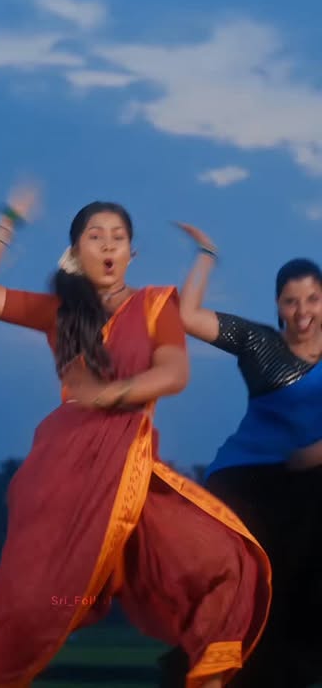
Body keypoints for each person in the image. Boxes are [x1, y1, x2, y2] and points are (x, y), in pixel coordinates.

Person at [0, 190, 271, 688]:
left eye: (118, 237)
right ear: (75, 252)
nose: (107, 245)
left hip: (131, 470)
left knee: (223, 563)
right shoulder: (60, 311)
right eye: (95, 236)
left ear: (131, 253)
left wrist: (110, 394)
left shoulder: (155, 305)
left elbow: (173, 372)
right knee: (37, 605)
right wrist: (9, 219)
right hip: (65, 474)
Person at [175, 222, 322, 687]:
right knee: (246, 583)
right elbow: (187, 315)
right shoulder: (258, 342)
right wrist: (206, 254)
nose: (303, 311)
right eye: (291, 301)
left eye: (313, 299)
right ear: (278, 306)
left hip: (308, 483)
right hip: (248, 479)